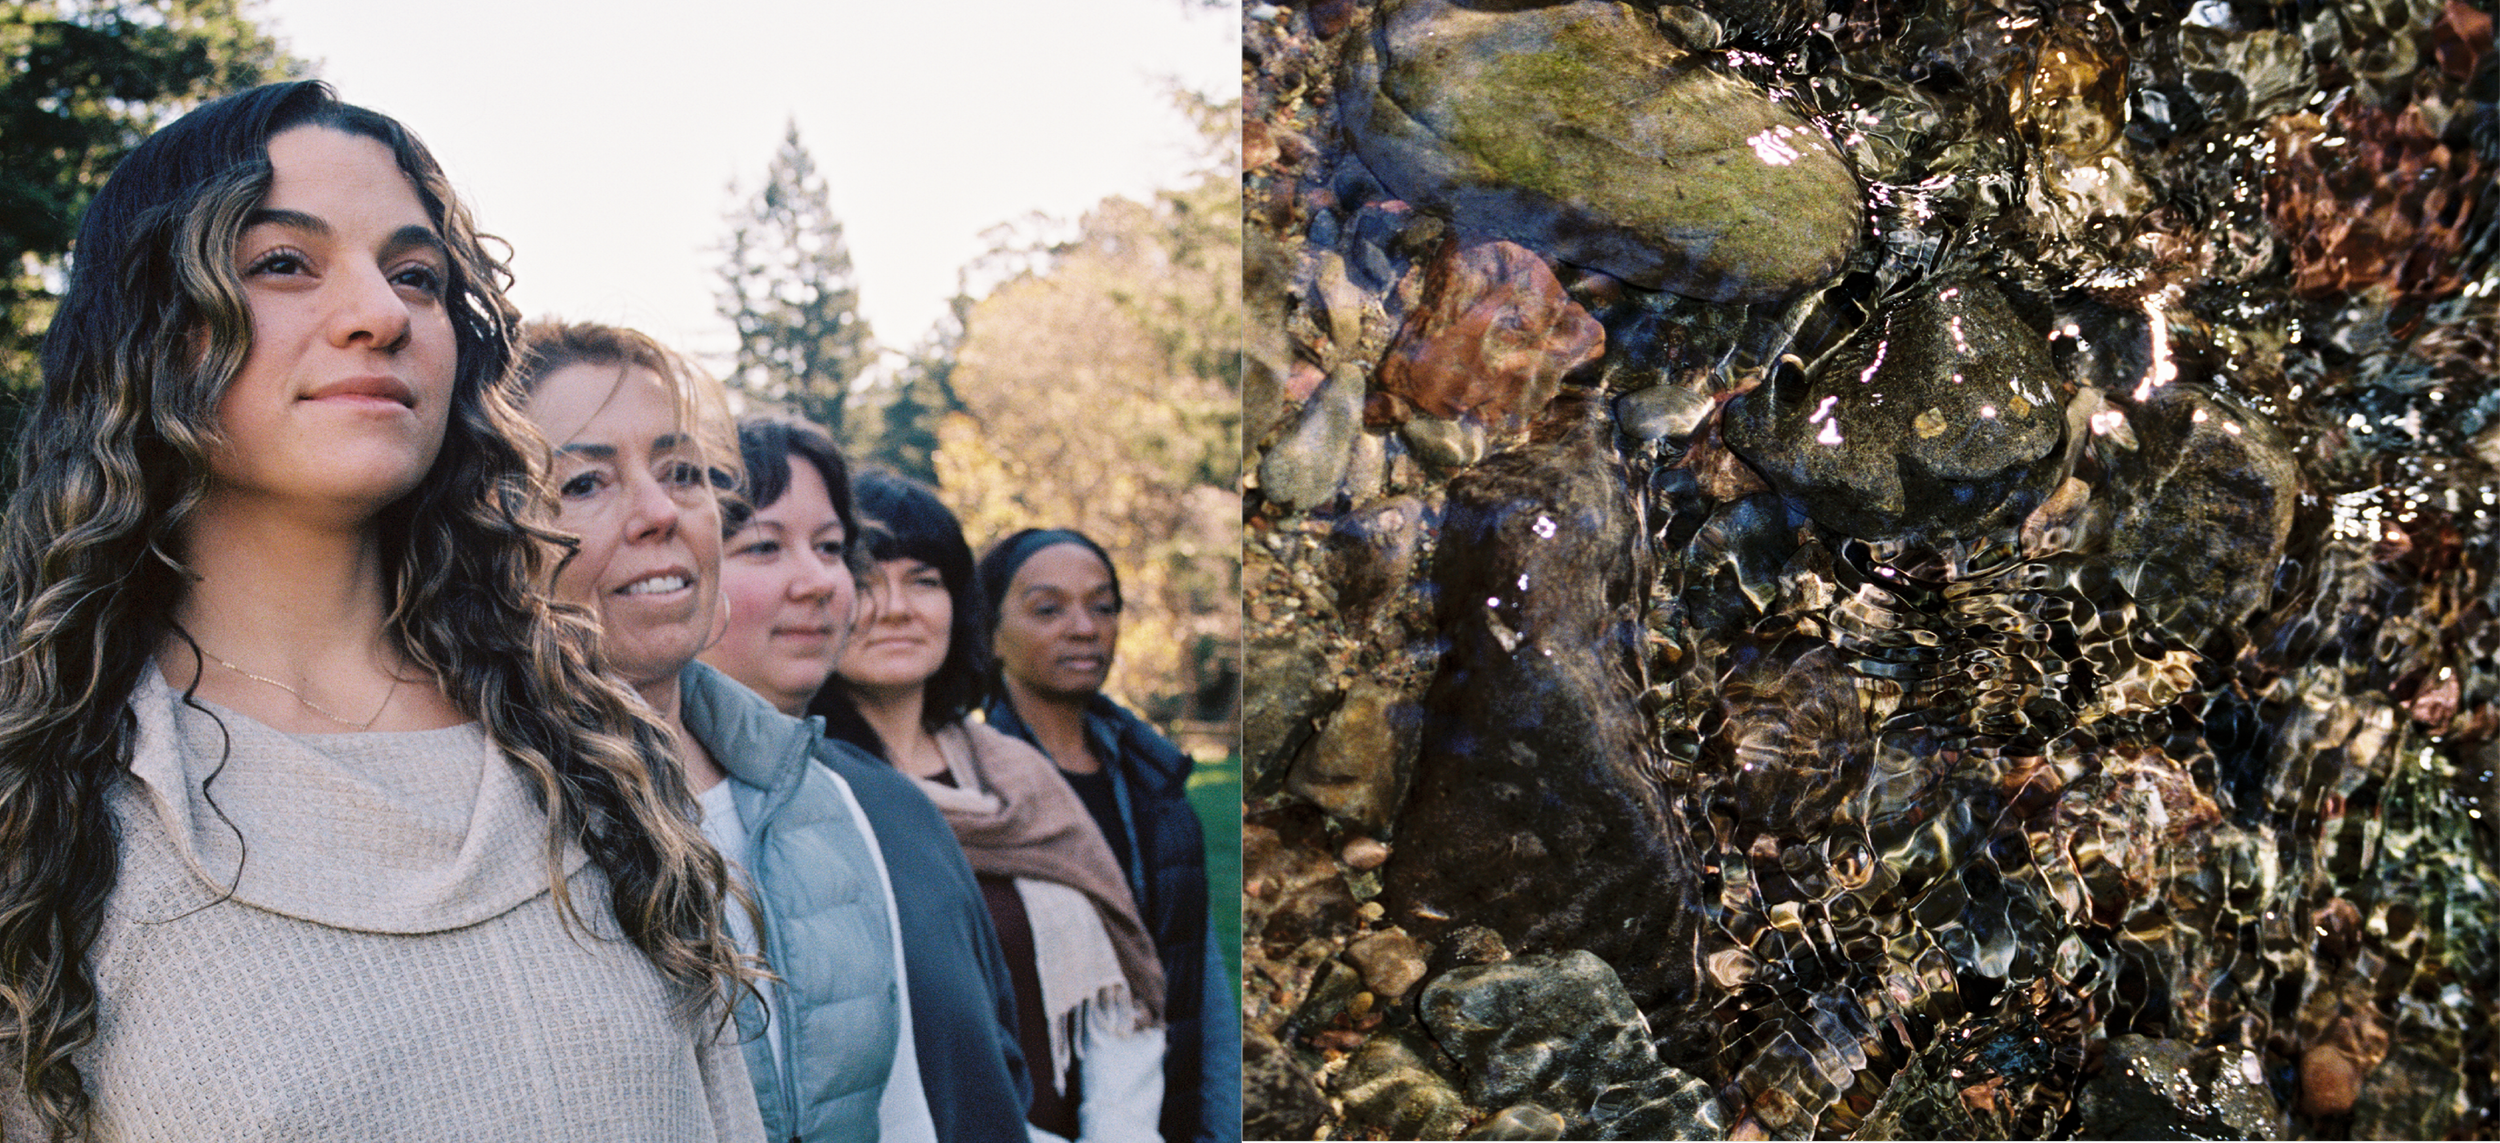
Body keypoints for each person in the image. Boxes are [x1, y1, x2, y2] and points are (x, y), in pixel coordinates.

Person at [0, 82, 761, 1141]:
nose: (381, 314)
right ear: (149, 330)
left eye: (418, 275)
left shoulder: (596, 754)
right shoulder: (44, 817)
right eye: (282, 264)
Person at [511, 322, 919, 1143]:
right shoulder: (486, 814)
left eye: (682, 473)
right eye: (586, 482)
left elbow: (901, 1109)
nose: (660, 511)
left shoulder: (814, 792)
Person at [698, 414, 1033, 1143]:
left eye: (829, 548)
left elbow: (990, 1063)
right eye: (763, 545)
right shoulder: (622, 813)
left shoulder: (891, 802)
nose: (820, 581)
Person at [815, 472, 1165, 1143]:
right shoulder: (818, 794)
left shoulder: (1018, 775)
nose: (897, 608)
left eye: (925, 579)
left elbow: (1121, 989)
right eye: (865, 580)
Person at [976, 531, 1242, 1143]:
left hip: (1164, 1113)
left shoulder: (1153, 781)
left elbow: (1202, 970)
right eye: (1048, 608)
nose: (1084, 627)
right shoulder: (975, 795)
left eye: (1102, 605)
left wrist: (1218, 1122)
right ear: (991, 633)